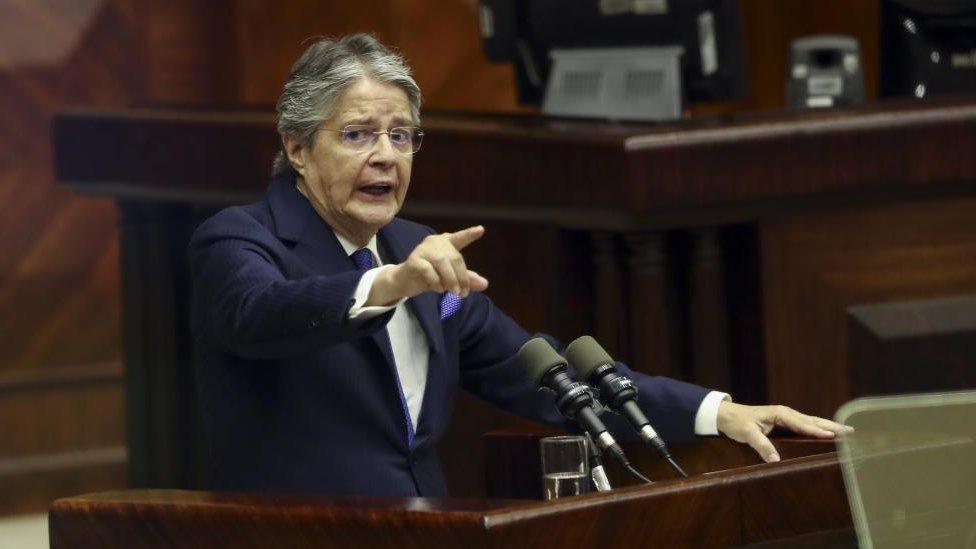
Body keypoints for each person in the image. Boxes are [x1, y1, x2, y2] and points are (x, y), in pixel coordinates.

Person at [189, 33, 851, 497]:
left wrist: (716, 411)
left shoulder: (419, 254)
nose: (387, 155)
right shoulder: (242, 241)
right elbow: (259, 316)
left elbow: (548, 376)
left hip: (426, 530)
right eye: (358, 134)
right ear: (297, 148)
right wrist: (388, 284)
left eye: (401, 135)